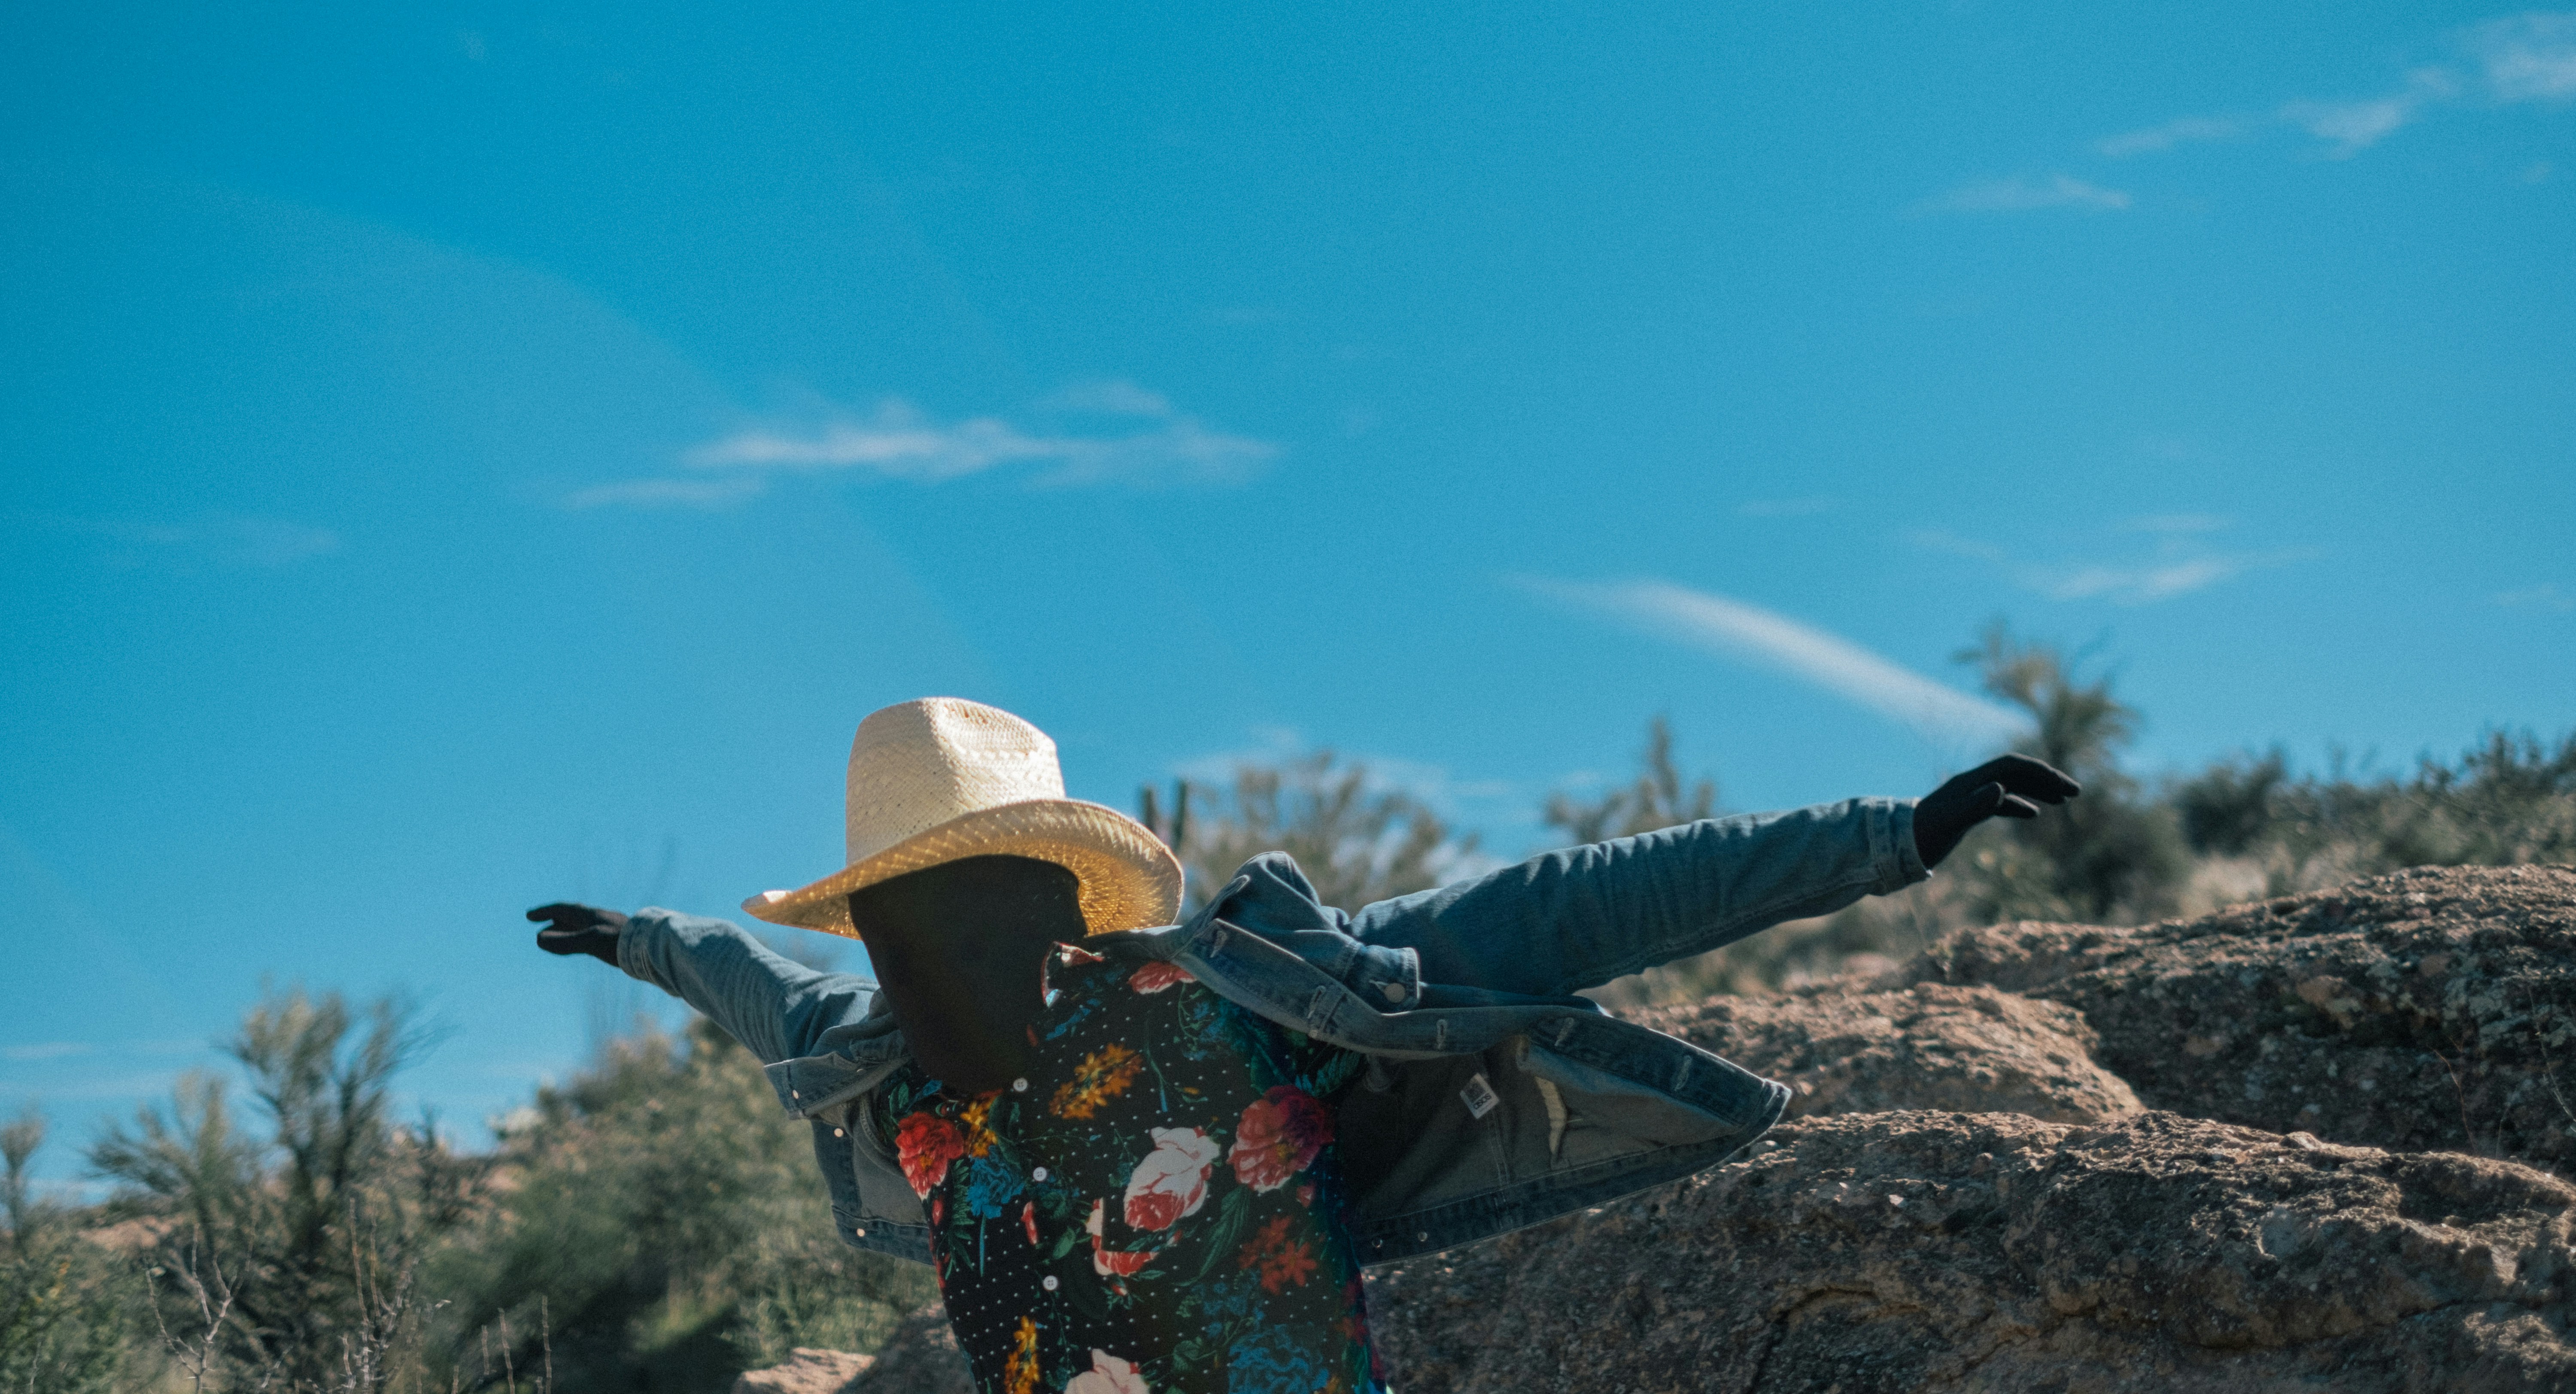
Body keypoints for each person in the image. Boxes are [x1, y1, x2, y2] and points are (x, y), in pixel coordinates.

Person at [530, 697, 2073, 1394]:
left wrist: (1890, 833)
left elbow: (1560, 909)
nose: (915, 945)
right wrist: (643, 942)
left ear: (1042, 890)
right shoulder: (895, 1073)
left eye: (944, 901)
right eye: (893, 914)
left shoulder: (1238, 995)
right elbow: (757, 996)